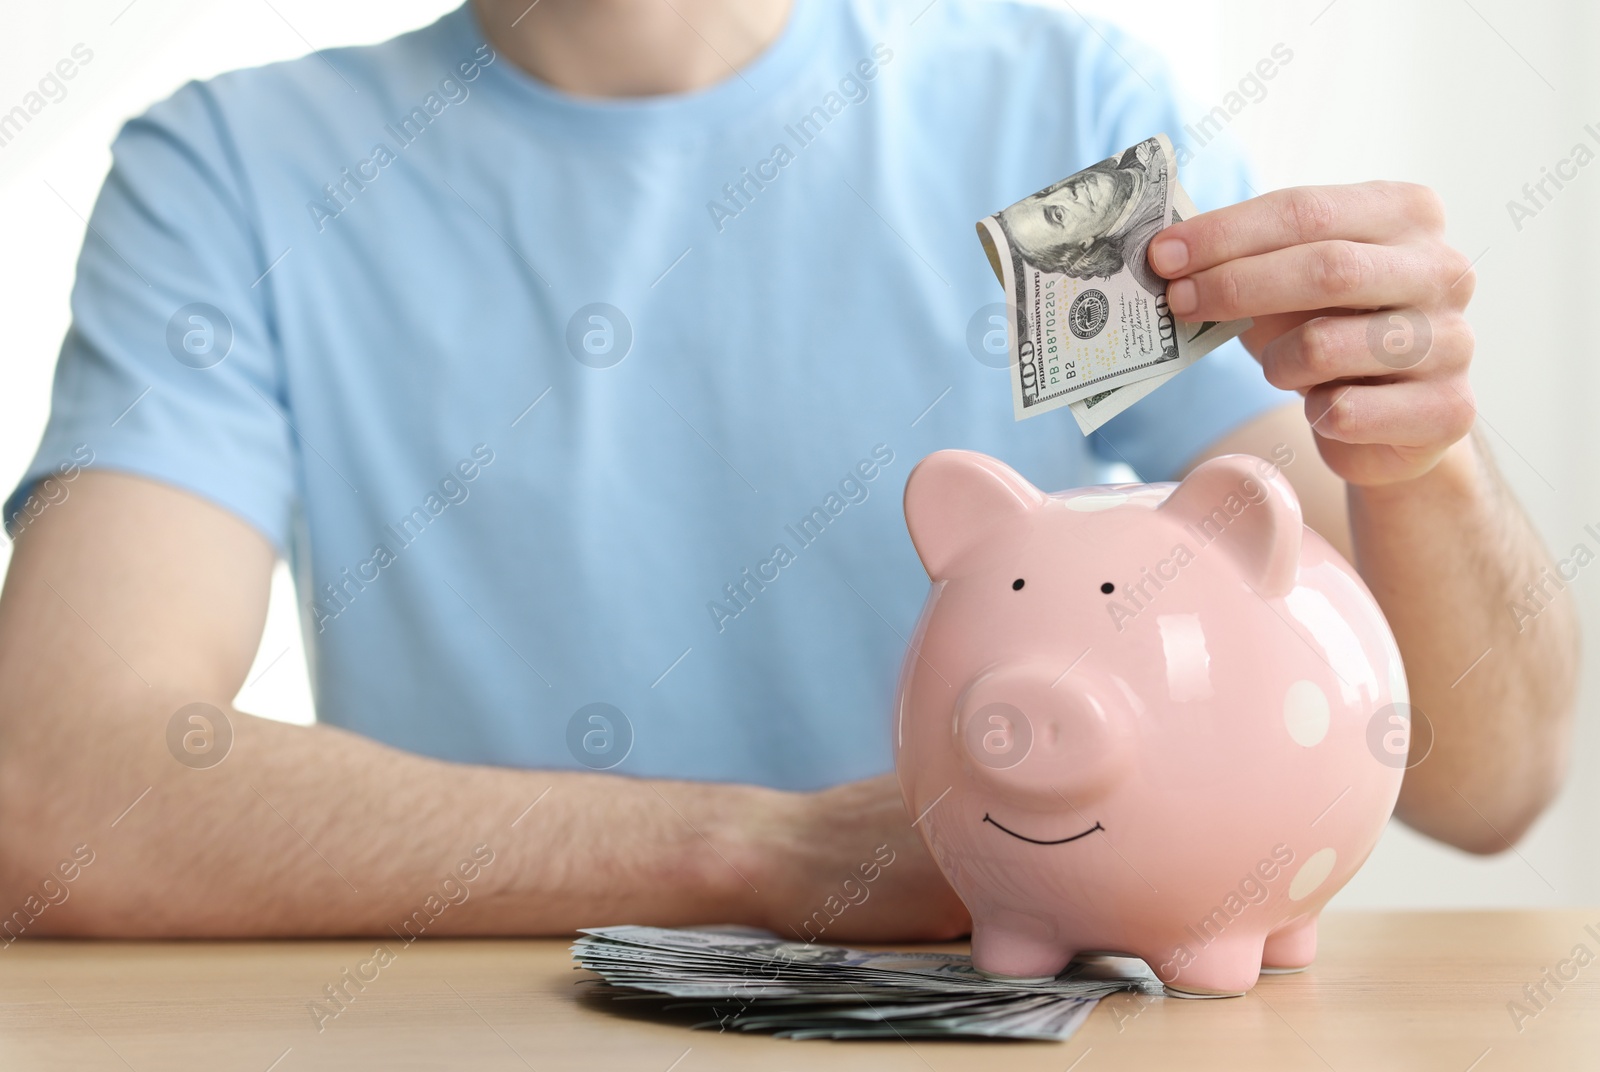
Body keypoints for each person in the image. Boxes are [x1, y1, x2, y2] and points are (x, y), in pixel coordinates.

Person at [0, 0, 1576, 943]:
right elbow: (59, 793)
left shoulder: (1055, 123)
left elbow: (1476, 778)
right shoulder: (230, 177)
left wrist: (1422, 460)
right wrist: (761, 856)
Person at [996, 136, 1170, 294]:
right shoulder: (1145, 252)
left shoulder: (1131, 150)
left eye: (1045, 191)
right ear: (1083, 246)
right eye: (1058, 214)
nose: (1065, 190)